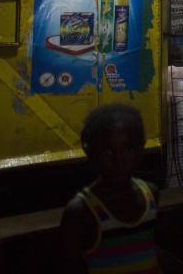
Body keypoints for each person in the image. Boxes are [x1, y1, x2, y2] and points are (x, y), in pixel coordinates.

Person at [60, 104, 162, 274]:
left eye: (127, 150)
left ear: (140, 149)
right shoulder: (81, 211)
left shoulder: (150, 195)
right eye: (108, 152)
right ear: (91, 153)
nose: (119, 161)